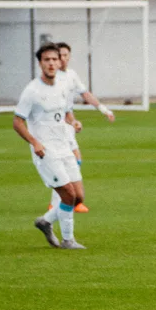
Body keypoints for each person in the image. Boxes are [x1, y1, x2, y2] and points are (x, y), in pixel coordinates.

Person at [13, 42, 87, 249]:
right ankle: (68, 240)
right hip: (46, 151)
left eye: (55, 59)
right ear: (40, 64)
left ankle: (45, 221)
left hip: (64, 146)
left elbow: (66, 113)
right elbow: (17, 122)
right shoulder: (32, 91)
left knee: (78, 196)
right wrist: (35, 142)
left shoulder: (64, 86)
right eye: (47, 60)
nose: (52, 63)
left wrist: (74, 123)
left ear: (60, 61)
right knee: (68, 194)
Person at [45, 42, 116, 214]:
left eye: (65, 55)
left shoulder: (71, 75)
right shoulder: (52, 80)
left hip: (66, 122)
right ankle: (57, 202)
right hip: (54, 125)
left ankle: (69, 200)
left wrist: (103, 110)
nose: (62, 59)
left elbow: (83, 95)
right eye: (58, 56)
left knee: (75, 159)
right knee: (68, 159)